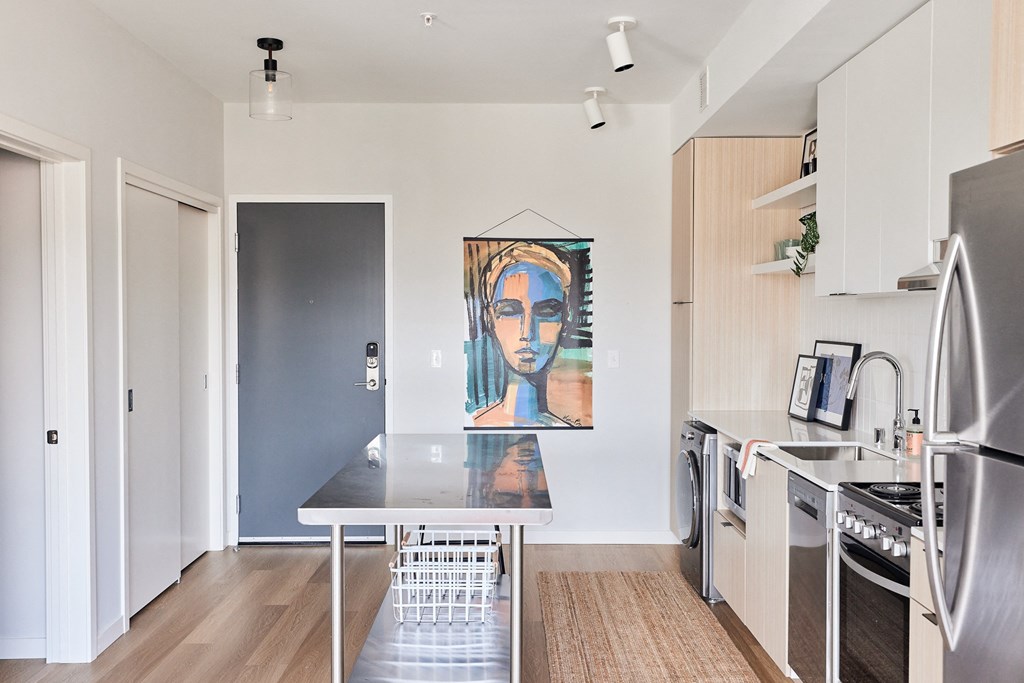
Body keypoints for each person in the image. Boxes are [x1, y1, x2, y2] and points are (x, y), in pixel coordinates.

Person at [471, 242, 575, 427]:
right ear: (490, 320)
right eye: (509, 311)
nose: (527, 332)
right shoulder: (474, 425)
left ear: (565, 320)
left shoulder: (566, 430)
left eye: (547, 312)